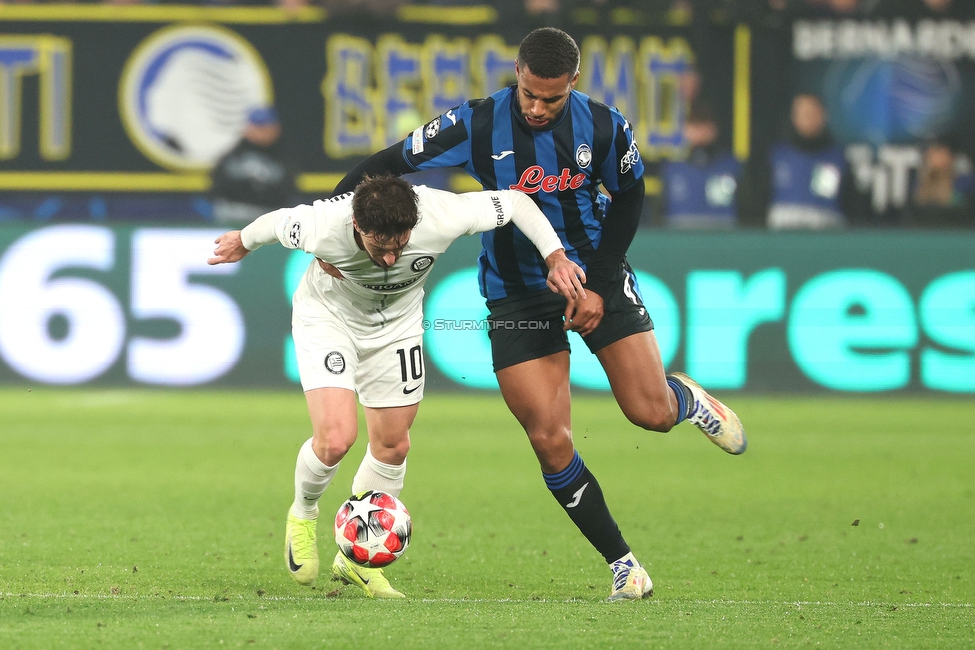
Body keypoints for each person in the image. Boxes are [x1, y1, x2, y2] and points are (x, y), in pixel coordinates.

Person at [332, 27, 747, 602]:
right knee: (549, 438)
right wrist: (335, 229)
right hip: (515, 292)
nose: (536, 107)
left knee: (649, 415)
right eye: (528, 93)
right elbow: (387, 162)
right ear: (518, 74)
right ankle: (624, 566)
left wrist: (599, 284)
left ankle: (688, 401)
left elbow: (628, 198)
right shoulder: (475, 122)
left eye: (551, 99)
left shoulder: (604, 126)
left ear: (572, 84)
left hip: (590, 277)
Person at [208, 176, 585, 599]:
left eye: (399, 245)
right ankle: (303, 512)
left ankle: (355, 562)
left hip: (399, 328)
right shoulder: (321, 224)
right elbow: (274, 224)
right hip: (329, 319)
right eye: (378, 246)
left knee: (393, 446)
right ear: (356, 224)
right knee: (335, 439)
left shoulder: (440, 213)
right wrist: (242, 240)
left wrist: (555, 256)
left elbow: (515, 202)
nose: (389, 259)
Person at [748, 93, 854, 230]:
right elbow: (755, 202)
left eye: (813, 113)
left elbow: (852, 206)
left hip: (826, 243)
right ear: (794, 117)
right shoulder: (776, 156)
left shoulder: (839, 159)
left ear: (824, 116)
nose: (808, 119)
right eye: (803, 114)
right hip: (781, 243)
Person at [658, 100, 742, 229]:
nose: (701, 131)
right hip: (680, 243)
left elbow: (748, 213)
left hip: (722, 241)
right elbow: (658, 213)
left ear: (714, 128)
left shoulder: (730, 166)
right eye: (694, 125)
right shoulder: (672, 168)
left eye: (705, 125)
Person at [209, 106, 296, 225]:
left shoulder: (284, 157)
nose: (262, 132)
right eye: (258, 126)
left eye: (266, 126)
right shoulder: (234, 155)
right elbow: (217, 186)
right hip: (233, 214)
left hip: (269, 216)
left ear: (276, 128)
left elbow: (287, 190)